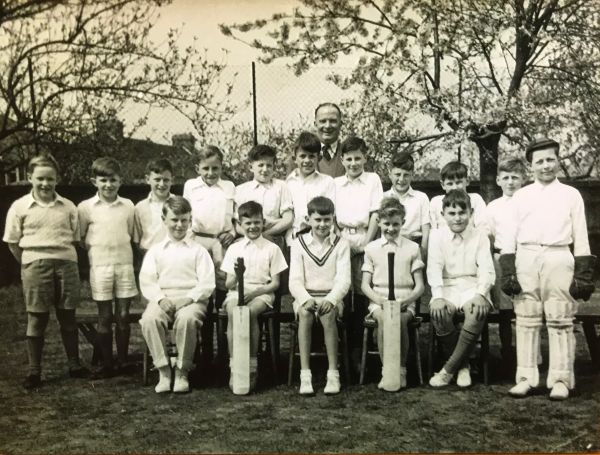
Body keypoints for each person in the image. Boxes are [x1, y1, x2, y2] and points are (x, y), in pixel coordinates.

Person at [500, 137, 596, 400]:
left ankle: (561, 379)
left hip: (559, 256)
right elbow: (508, 235)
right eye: (539, 161)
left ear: (558, 160)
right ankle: (525, 378)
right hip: (527, 256)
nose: (546, 166)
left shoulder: (570, 195)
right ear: (531, 166)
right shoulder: (520, 196)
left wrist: (583, 273)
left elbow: (581, 235)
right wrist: (508, 269)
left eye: (550, 159)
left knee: (561, 319)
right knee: (526, 319)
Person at [3, 154, 88, 389]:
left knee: (68, 316)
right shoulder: (19, 207)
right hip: (35, 264)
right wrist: (31, 262)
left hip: (66, 263)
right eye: (40, 178)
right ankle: (34, 371)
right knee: (37, 317)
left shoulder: (68, 206)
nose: (45, 184)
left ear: (57, 179)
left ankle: (74, 364)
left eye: (50, 179)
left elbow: (76, 237)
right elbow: (12, 242)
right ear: (30, 177)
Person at [139, 196, 215, 393]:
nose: (179, 225)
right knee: (149, 319)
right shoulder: (155, 251)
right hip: (162, 298)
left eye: (184, 220)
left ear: (190, 221)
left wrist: (188, 299)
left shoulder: (199, 251)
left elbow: (207, 282)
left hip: (192, 300)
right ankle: (163, 370)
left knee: (187, 320)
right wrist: (160, 299)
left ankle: (182, 371)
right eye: (174, 220)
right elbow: (147, 280)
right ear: (164, 220)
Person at [427, 190, 495, 388]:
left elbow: (486, 269)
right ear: (443, 215)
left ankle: (447, 371)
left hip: (472, 285)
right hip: (448, 286)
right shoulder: (436, 236)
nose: (457, 218)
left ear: (471, 212)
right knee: (439, 313)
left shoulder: (480, 236)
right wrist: (438, 297)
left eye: (462, 213)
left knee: (476, 311)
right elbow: (434, 268)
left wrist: (481, 294)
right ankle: (463, 366)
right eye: (452, 213)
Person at [78, 157, 138, 378]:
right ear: (94, 181)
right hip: (100, 267)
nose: (108, 185)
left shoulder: (128, 206)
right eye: (103, 180)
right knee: (104, 317)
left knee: (123, 315)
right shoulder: (85, 208)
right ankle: (107, 364)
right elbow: (81, 238)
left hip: (124, 266)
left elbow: (130, 234)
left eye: (113, 180)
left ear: (120, 181)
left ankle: (122, 361)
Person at [221, 201, 288, 392]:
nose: (252, 227)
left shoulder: (272, 248)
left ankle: (251, 367)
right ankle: (236, 367)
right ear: (240, 225)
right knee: (235, 312)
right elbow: (228, 284)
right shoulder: (235, 248)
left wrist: (255, 292)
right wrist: (236, 276)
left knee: (249, 313)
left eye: (257, 222)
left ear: (263, 222)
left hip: (262, 294)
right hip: (237, 292)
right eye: (248, 223)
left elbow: (275, 284)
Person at [288, 196, 351, 395]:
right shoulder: (298, 243)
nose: (322, 224)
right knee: (305, 314)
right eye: (318, 220)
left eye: (327, 220)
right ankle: (305, 374)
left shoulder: (341, 244)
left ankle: (333, 373)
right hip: (305, 297)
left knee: (328, 314)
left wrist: (331, 300)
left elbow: (344, 280)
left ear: (333, 219)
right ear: (308, 219)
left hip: (331, 297)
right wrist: (305, 299)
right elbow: (295, 280)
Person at [361, 197, 425, 390]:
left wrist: (407, 300)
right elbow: (365, 285)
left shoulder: (412, 248)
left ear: (403, 223)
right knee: (384, 318)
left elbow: (420, 286)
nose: (391, 228)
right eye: (386, 224)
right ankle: (387, 370)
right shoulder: (371, 248)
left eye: (396, 224)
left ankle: (401, 370)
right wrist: (379, 301)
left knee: (399, 319)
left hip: (405, 300)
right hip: (379, 300)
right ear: (379, 222)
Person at [334, 136, 383, 371]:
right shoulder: (334, 184)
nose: (354, 163)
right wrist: (340, 241)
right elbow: (332, 217)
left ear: (365, 158)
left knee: (363, 291)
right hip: (342, 237)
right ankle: (344, 347)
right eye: (349, 159)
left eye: (358, 158)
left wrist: (367, 241)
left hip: (366, 237)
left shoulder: (373, 180)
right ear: (342, 160)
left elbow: (376, 212)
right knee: (345, 291)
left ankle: (362, 345)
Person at [484, 157, 527, 366]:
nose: (511, 182)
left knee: (526, 306)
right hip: (501, 258)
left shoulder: (529, 204)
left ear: (523, 180)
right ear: (499, 180)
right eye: (506, 178)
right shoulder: (493, 207)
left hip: (525, 256)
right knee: (504, 309)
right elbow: (488, 236)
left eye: (515, 177)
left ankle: (527, 352)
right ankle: (506, 350)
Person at [183, 145, 236, 304]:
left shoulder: (229, 186)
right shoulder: (191, 185)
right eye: (206, 168)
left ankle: (222, 324)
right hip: (198, 239)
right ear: (197, 168)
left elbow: (233, 215)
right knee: (201, 279)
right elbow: (186, 213)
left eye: (215, 168)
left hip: (221, 240)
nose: (211, 173)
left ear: (221, 167)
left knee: (223, 280)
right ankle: (204, 325)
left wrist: (232, 233)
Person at [235, 144, 293, 253]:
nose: (265, 169)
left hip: (273, 236)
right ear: (251, 167)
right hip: (247, 236)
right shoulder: (240, 190)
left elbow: (288, 219)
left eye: (269, 165)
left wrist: (266, 235)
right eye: (261, 165)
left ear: (274, 167)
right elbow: (237, 224)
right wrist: (253, 236)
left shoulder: (281, 186)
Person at [285, 131, 336, 243]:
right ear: (294, 158)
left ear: (319, 157)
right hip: (294, 239)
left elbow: (331, 212)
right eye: (303, 156)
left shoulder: (327, 181)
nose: (307, 161)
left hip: (321, 238)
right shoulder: (288, 184)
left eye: (312, 156)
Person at [384, 151, 431, 258]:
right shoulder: (383, 197)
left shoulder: (421, 198)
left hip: (415, 246)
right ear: (390, 174)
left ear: (412, 175)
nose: (401, 179)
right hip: (389, 245)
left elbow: (426, 229)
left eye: (406, 175)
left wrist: (423, 252)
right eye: (397, 174)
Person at [429, 161, 487, 230]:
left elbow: (482, 228)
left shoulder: (475, 200)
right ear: (443, 185)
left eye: (458, 182)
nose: (454, 187)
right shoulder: (436, 202)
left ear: (467, 181)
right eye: (450, 184)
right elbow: (433, 230)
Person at [134, 158, 174, 255]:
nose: (162, 184)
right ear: (148, 179)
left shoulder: (179, 203)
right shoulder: (140, 207)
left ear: (172, 180)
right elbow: (137, 238)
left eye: (166, 180)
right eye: (157, 179)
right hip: (148, 254)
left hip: (173, 255)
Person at [314, 103, 345, 178]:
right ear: (315, 125)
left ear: (340, 124)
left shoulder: (353, 155)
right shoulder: (300, 157)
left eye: (333, 121)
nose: (327, 126)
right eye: (323, 121)